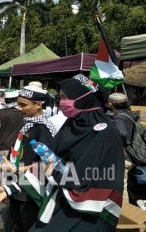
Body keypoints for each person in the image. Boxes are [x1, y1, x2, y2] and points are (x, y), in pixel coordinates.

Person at [24, 78, 125, 231]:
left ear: (83, 98)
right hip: (64, 199)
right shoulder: (71, 125)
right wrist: (12, 182)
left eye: (66, 97)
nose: (62, 102)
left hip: (92, 209)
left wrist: (52, 170)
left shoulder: (104, 132)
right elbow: (52, 159)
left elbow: (81, 177)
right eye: (61, 97)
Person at [0, 85, 57, 232]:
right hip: (18, 186)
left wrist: (17, 169)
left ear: (38, 105)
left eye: (23, 105)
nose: (19, 108)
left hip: (31, 192)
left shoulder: (43, 129)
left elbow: (47, 164)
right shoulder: (28, 124)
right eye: (18, 103)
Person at [0, 89, 23, 154]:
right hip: (18, 148)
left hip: (3, 148)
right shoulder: (23, 113)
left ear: (5, 100)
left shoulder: (0, 113)